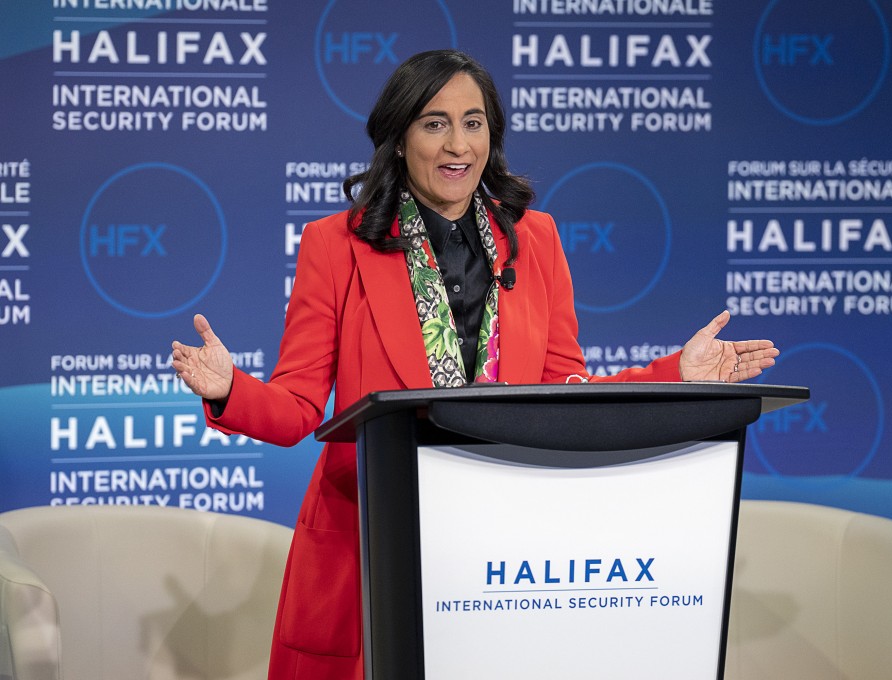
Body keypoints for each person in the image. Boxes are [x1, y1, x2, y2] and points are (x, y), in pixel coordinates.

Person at [171, 49, 778, 680]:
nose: (456, 144)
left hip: (501, 537)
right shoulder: (336, 245)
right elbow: (298, 407)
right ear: (399, 138)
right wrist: (229, 390)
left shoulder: (535, 238)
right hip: (377, 532)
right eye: (434, 124)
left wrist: (674, 372)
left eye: (473, 122)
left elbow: (563, 390)